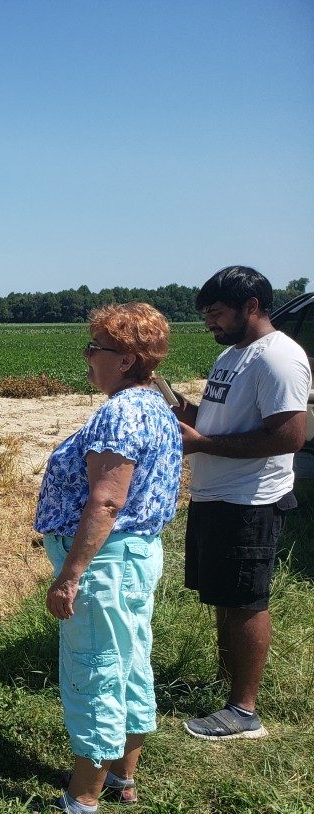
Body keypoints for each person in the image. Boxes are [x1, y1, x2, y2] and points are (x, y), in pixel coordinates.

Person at [34, 303, 183, 814]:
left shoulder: (121, 412)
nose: (87, 356)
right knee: (130, 658)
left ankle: (82, 799)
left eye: (95, 347)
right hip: (137, 555)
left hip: (106, 561)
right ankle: (123, 775)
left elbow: (106, 501)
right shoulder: (156, 405)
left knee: (93, 667)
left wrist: (70, 575)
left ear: (124, 359)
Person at [170, 266, 310, 740]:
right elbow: (218, 421)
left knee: (247, 600)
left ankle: (244, 711)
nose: (210, 322)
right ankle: (230, 691)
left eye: (216, 313)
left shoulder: (279, 358)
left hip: (250, 499)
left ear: (252, 306)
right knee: (226, 597)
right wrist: (181, 410)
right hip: (218, 494)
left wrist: (202, 443)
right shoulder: (235, 354)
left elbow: (290, 436)